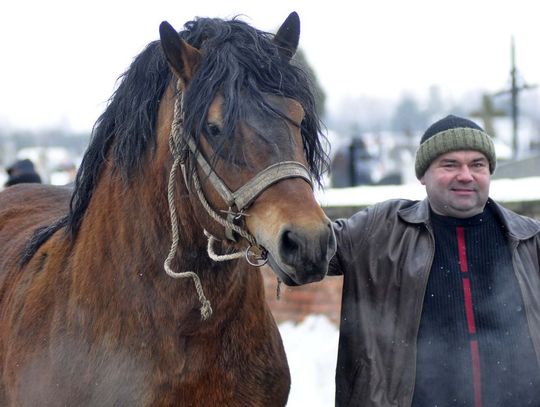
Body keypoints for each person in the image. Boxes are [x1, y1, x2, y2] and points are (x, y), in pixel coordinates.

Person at [329, 115, 540, 406]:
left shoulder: (529, 239)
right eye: (449, 165)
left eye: (477, 164)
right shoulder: (381, 230)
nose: (465, 175)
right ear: (423, 175)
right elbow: (307, 250)